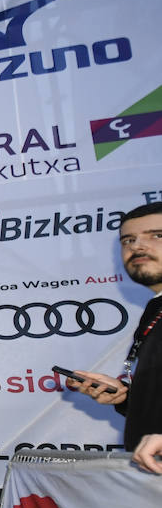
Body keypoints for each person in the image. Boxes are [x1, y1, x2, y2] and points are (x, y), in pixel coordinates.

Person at [65, 202, 162, 471]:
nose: (138, 247)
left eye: (157, 235)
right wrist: (125, 398)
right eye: (128, 240)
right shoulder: (155, 307)